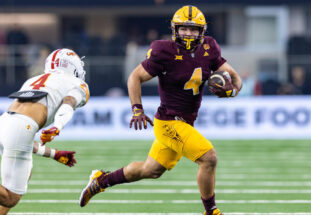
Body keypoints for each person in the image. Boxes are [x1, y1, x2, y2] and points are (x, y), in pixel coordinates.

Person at [79, 5, 242, 215]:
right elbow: (134, 77)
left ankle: (101, 180)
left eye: (193, 29)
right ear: (175, 29)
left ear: (202, 31)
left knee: (151, 170)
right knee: (209, 158)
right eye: (184, 29)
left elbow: (235, 76)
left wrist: (233, 91)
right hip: (168, 122)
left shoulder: (209, 48)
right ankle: (211, 211)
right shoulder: (164, 51)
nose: (189, 33)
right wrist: (137, 109)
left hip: (185, 122)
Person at [0, 48, 89, 215]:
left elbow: (22, 139)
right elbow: (68, 102)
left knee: (25, 175)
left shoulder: (34, 79)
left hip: (4, 122)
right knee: (10, 197)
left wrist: (53, 154)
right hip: (20, 127)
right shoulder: (77, 83)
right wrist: (58, 126)